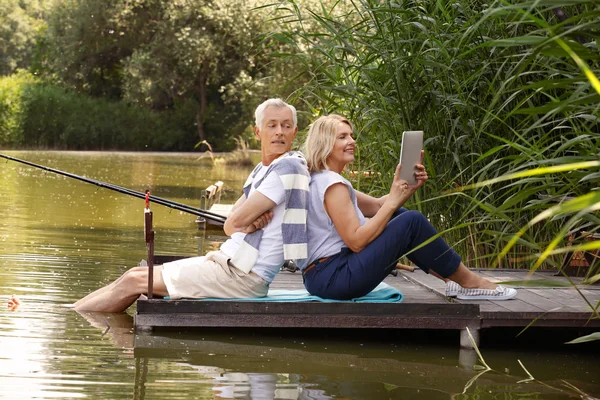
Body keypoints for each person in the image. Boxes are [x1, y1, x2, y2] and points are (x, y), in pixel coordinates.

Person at [72, 98, 310, 312]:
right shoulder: (262, 171)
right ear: (258, 131)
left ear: (295, 132)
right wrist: (248, 225)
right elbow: (230, 227)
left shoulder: (288, 167)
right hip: (226, 263)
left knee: (135, 282)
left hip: (243, 277)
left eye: (286, 125)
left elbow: (235, 221)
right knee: (133, 275)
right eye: (272, 125)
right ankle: (72, 310)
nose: (279, 132)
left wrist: (244, 222)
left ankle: (77, 318)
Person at [300, 114, 517, 301]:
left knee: (400, 215)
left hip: (324, 276)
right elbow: (356, 242)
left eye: (351, 135)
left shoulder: (325, 180)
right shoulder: (332, 185)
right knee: (410, 221)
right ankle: (471, 283)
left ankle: (453, 279)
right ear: (325, 144)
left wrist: (406, 187)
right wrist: (394, 199)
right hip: (333, 277)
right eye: (343, 137)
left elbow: (377, 206)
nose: (352, 141)